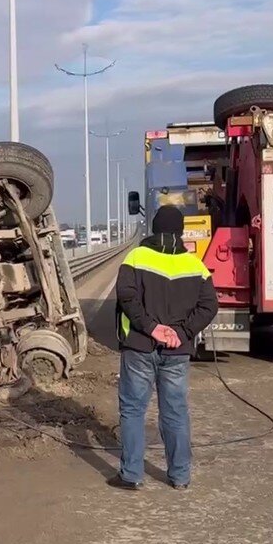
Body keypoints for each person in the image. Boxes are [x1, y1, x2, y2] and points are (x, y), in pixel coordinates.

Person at [111, 205, 218, 491]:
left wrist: (151, 327)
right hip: (177, 351)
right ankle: (180, 476)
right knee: (175, 412)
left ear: (154, 229)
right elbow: (209, 306)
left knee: (133, 409)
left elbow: (126, 297)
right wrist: (180, 333)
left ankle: (132, 475)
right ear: (181, 231)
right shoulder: (196, 265)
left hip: (139, 347)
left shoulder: (136, 257)